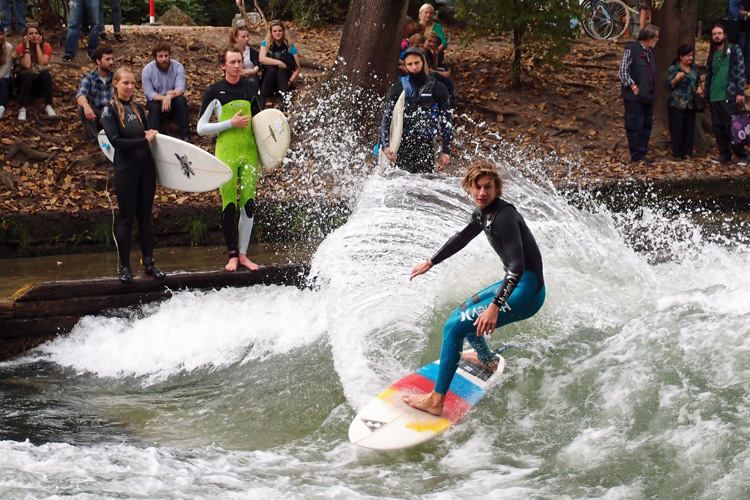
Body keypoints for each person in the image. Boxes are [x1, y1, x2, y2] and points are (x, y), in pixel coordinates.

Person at [402, 161, 546, 416]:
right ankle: (485, 359)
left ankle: (436, 400)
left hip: (527, 290)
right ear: (469, 188)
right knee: (463, 310)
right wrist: (430, 262)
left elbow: (517, 266)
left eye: (488, 187)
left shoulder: (504, 217)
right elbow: (462, 237)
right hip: (517, 283)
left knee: (454, 327)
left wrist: (494, 307)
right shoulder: (483, 214)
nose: (482, 193)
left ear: (496, 188)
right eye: (477, 187)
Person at [197, 45, 262, 272]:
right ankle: (232, 255)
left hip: (250, 154)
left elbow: (261, 124)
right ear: (223, 65)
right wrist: (229, 124)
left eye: (239, 62)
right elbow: (201, 128)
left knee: (249, 204)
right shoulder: (214, 91)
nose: (237, 66)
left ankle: (243, 254)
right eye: (232, 62)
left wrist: (267, 159)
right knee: (230, 203)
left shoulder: (252, 88)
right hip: (226, 153)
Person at [100, 67, 165, 283]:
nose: (129, 87)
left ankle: (149, 264)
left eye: (132, 84)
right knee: (127, 218)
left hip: (146, 169)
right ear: (115, 84)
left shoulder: (138, 108)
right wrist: (144, 141)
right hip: (126, 169)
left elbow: (148, 136)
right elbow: (116, 142)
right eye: (125, 83)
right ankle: (125, 267)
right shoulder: (108, 111)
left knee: (144, 217)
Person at [380, 47, 453, 174]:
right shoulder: (397, 89)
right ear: (406, 65)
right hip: (402, 144)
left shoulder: (438, 88)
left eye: (417, 63)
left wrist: (446, 151)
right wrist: (386, 146)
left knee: (423, 183)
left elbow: (447, 121)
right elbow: (386, 118)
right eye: (410, 64)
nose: (414, 67)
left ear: (423, 62)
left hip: (426, 145)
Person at [706, 24, 748, 165]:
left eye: (719, 33)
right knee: (718, 127)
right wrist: (707, 96)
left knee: (733, 126)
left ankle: (741, 154)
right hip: (714, 96)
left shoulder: (734, 50)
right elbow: (708, 76)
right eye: (714, 34)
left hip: (729, 94)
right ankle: (724, 154)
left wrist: (740, 92)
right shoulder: (712, 54)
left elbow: (740, 70)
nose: (716, 36)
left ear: (724, 35)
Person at [618, 24, 660, 164]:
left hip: (648, 97)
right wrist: (633, 86)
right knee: (634, 125)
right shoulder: (631, 50)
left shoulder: (650, 52)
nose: (657, 39)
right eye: (656, 37)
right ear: (648, 38)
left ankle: (642, 153)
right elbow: (623, 72)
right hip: (634, 98)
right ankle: (636, 155)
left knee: (646, 126)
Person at [141, 42, 191, 142]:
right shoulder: (147, 70)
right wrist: (165, 98)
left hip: (173, 99)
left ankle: (186, 136)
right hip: (157, 100)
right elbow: (149, 93)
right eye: (160, 56)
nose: (164, 59)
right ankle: (155, 138)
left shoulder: (177, 67)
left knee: (181, 100)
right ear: (155, 57)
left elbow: (180, 89)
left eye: (166, 56)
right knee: (153, 106)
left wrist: (169, 97)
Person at [664, 45, 703, 161]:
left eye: (691, 55)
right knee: (677, 129)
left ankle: (687, 153)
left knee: (689, 128)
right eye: (688, 56)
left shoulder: (694, 68)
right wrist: (676, 78)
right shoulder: (673, 69)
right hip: (676, 103)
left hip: (690, 104)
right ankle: (677, 153)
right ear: (681, 57)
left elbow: (698, 80)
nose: (690, 58)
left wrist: (700, 87)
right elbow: (667, 85)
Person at [15, 23, 57, 121]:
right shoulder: (20, 48)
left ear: (40, 35)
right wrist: (27, 48)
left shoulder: (46, 47)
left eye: (36, 33)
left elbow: (42, 64)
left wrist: (38, 46)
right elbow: (27, 65)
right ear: (26, 36)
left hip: (38, 82)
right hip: (24, 81)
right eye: (31, 33)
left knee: (46, 74)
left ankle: (48, 106)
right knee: (26, 76)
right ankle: (23, 109)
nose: (34, 36)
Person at [76, 44, 115, 143]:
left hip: (113, 114)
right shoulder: (89, 77)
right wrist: (86, 106)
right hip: (97, 115)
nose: (111, 62)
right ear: (98, 61)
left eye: (112, 59)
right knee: (82, 109)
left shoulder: (116, 77)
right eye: (107, 59)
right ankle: (97, 141)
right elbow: (80, 95)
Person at [258, 19, 300, 109]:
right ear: (271, 33)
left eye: (280, 31)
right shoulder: (266, 44)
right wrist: (279, 62)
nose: (277, 33)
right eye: (275, 31)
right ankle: (261, 98)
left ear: (283, 32)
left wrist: (290, 82)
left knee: (281, 71)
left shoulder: (289, 46)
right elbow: (261, 59)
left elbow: (297, 69)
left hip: (283, 81)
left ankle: (284, 100)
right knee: (272, 69)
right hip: (269, 80)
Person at [0, 29, 12, 119]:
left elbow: (6, 66)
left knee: (2, 83)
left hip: (4, 75)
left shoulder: (8, 47)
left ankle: (1, 107)